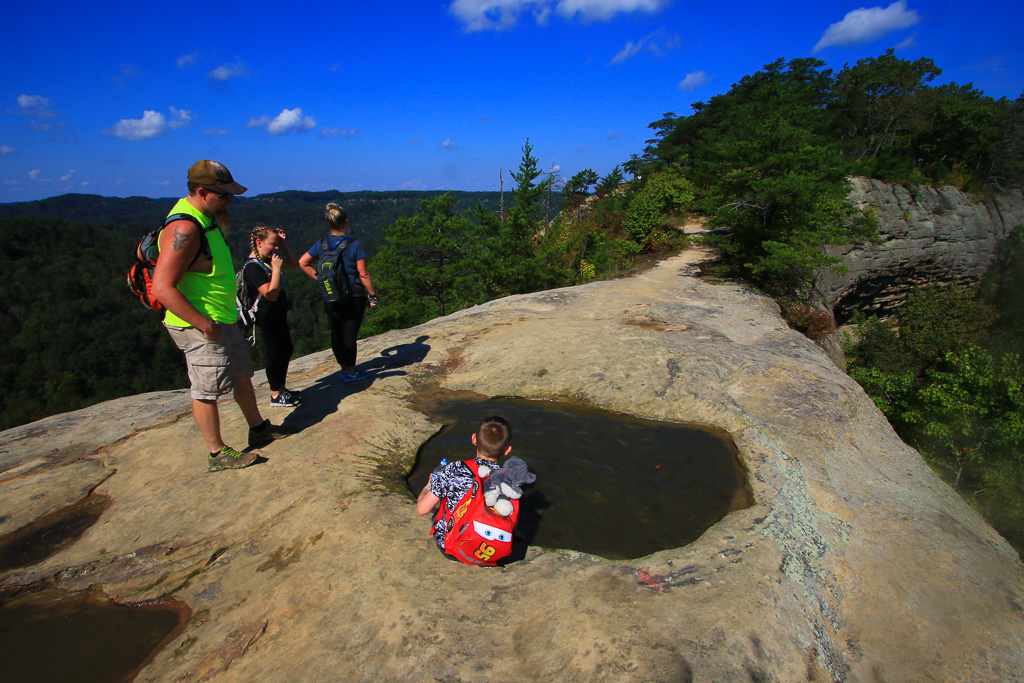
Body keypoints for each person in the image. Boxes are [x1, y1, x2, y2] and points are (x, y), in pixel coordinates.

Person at [151, 160, 293, 472]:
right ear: (202, 192)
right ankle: (217, 453)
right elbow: (162, 287)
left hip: (222, 318)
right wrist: (204, 325)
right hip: (200, 324)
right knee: (206, 389)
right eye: (224, 195)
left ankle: (258, 429)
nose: (230, 201)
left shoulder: (206, 219)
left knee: (242, 375)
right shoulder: (185, 227)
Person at [298, 202, 378, 381]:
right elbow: (363, 274)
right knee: (349, 333)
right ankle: (351, 372)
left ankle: (344, 366)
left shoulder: (321, 244)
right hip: (353, 294)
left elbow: (302, 262)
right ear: (346, 222)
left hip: (330, 293)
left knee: (336, 331)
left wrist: (320, 278)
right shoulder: (354, 245)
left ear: (330, 223)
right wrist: (372, 295)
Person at [416, 416, 513, 557]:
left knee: (440, 511)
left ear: (474, 439)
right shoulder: (507, 478)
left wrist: (428, 487)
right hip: (491, 550)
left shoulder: (455, 468)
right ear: (507, 450)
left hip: (450, 548)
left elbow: (422, 509)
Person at [243, 225, 302, 408]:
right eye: (273, 244)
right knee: (275, 351)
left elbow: (295, 264)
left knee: (286, 349)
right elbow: (270, 294)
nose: (275, 248)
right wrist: (276, 269)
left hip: (277, 314)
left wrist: (284, 245)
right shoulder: (253, 267)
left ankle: (282, 389)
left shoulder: (267, 260)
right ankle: (275, 395)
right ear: (259, 243)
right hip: (267, 316)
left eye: (276, 244)